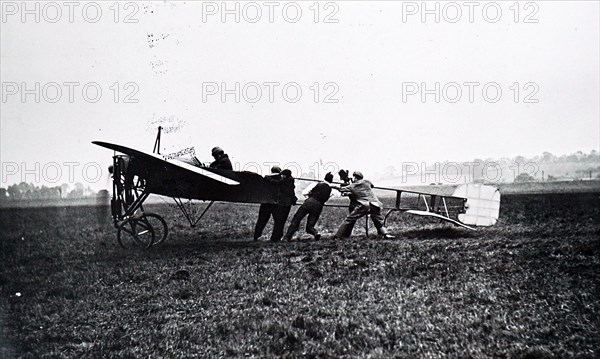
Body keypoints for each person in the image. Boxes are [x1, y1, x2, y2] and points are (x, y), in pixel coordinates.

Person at [334, 171, 394, 239]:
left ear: (355, 178)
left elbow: (341, 189)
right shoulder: (367, 182)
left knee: (349, 219)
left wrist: (332, 186)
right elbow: (371, 186)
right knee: (379, 220)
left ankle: (337, 236)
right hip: (375, 203)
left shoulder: (353, 185)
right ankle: (386, 234)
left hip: (364, 205)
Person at [283, 172, 334, 241]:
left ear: (324, 178)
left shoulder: (317, 183)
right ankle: (316, 233)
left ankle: (287, 237)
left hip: (309, 202)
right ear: (331, 180)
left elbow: (305, 192)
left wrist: (310, 195)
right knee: (310, 225)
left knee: (297, 219)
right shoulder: (330, 189)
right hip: (319, 205)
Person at [265, 169, 297, 242]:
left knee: (278, 221)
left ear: (285, 175)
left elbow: (276, 182)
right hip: (287, 204)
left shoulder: (286, 180)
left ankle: (274, 238)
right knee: (281, 221)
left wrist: (268, 178)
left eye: (283, 175)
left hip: (282, 204)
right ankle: (278, 236)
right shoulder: (290, 181)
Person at [253, 166, 282, 241]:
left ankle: (256, 236)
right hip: (276, 203)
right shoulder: (281, 180)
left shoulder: (265, 179)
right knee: (278, 221)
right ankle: (275, 238)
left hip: (265, 202)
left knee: (261, 220)